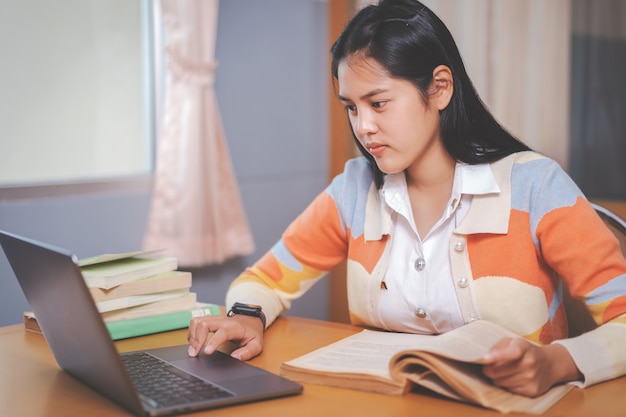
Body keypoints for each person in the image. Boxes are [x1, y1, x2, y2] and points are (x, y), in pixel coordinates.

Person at [188, 0, 626, 398]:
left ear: (439, 89)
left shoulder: (536, 186)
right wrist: (247, 315)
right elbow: (264, 280)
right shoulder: (355, 188)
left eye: (378, 104)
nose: (363, 127)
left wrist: (557, 362)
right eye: (351, 108)